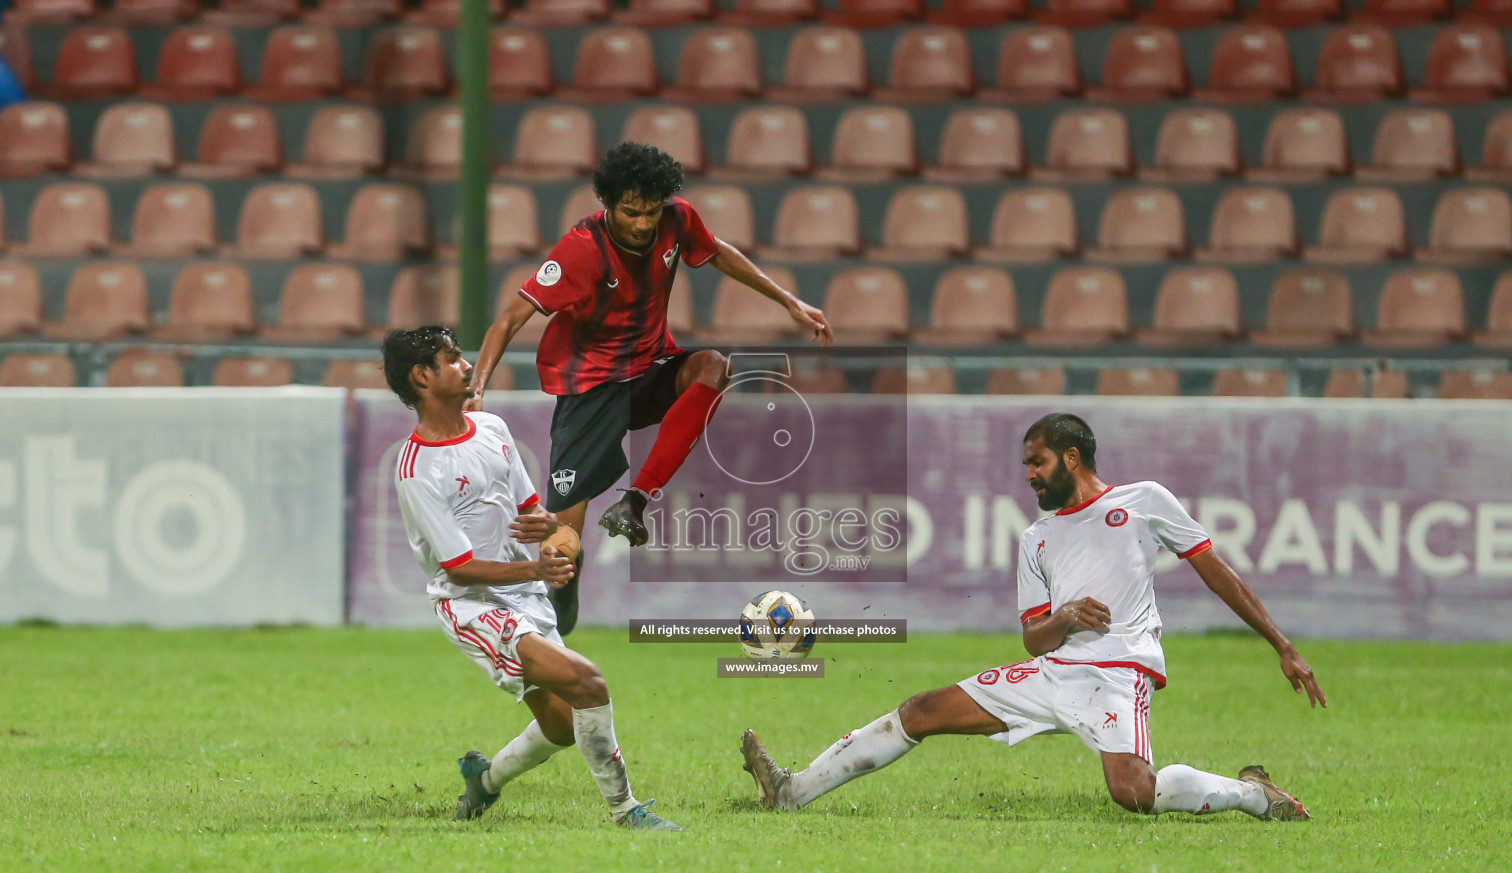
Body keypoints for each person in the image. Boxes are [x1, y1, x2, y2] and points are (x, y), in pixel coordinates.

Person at [741, 412, 1328, 822]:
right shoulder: (1036, 539)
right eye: (1026, 464)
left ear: (1071, 457)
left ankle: (1253, 794)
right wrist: (1067, 617)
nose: (1029, 474)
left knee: (1133, 794)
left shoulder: (1143, 500)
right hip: (1053, 674)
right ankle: (792, 793)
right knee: (921, 711)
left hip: (1118, 674)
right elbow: (1032, 638)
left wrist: (1282, 644)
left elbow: (1214, 568)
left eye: (1037, 462)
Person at [467, 142, 833, 634]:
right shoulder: (581, 249)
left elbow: (719, 254)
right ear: (608, 204)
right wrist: (477, 387)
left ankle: (636, 500)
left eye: (651, 211)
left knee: (713, 367)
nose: (643, 223)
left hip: (649, 367)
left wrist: (788, 301)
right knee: (562, 539)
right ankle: (559, 600)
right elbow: (511, 318)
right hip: (590, 388)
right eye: (631, 211)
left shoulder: (677, 219)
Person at [383, 325, 681, 830]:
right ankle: (626, 811)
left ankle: (485, 780)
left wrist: (554, 533)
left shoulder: (493, 429)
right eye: (452, 358)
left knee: (562, 726)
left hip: (525, 594)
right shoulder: (417, 469)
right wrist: (537, 567)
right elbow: (459, 567)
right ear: (421, 377)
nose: (466, 366)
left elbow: (533, 512)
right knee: (588, 682)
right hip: (473, 606)